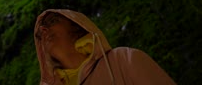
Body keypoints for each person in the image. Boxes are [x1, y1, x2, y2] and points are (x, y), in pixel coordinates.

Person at [34, 9, 176, 85]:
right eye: (40, 33)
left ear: (77, 27)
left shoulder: (123, 60)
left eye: (52, 21)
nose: (44, 30)